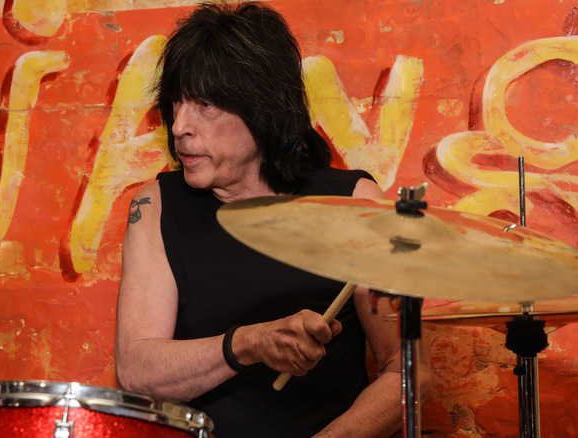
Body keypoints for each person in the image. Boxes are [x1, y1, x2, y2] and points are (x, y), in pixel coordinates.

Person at [115, 2, 430, 436]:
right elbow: (137, 370)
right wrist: (246, 343)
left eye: (205, 104)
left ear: (262, 108)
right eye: (175, 104)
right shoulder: (155, 208)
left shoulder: (355, 204)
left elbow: (408, 374)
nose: (179, 126)